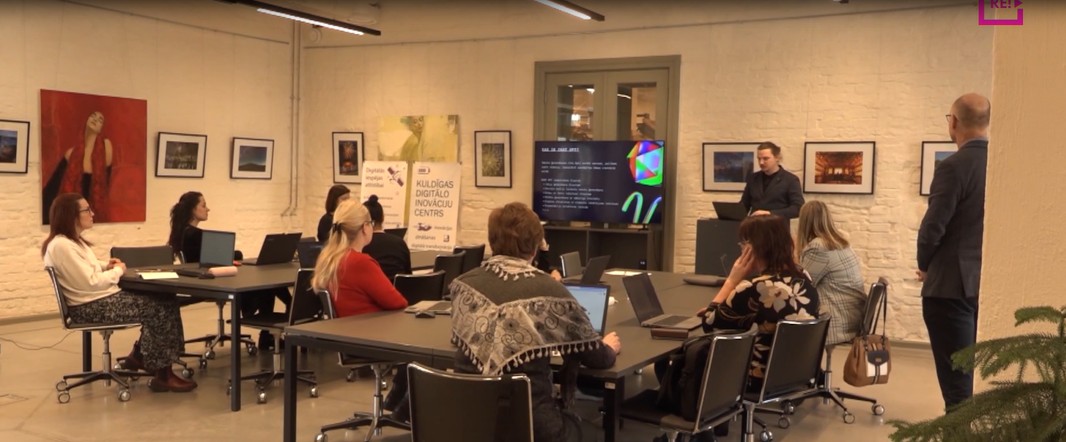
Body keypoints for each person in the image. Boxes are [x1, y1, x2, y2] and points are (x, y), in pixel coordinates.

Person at [450, 202, 622, 442]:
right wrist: (608, 348)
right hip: (533, 428)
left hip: (467, 424)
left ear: (492, 240)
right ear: (535, 247)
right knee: (592, 432)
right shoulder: (550, 290)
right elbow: (595, 357)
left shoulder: (462, 285)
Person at [42, 193, 196, 392]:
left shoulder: (70, 242)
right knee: (160, 306)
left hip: (96, 301)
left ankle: (141, 357)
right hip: (90, 307)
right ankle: (162, 374)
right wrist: (118, 271)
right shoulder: (63, 246)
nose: (92, 213)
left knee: (165, 298)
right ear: (70, 215)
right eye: (87, 210)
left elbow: (85, 267)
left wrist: (106, 265)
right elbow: (92, 282)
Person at [917, 93, 989, 412]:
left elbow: (933, 227)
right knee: (975, 377)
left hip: (949, 287)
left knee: (957, 387)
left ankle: (958, 432)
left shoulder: (953, 166)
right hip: (985, 284)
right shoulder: (1002, 164)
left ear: (954, 122)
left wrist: (925, 265)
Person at [700, 214, 820, 386]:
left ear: (751, 249)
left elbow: (709, 324)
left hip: (758, 378)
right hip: (799, 373)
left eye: (743, 244)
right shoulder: (804, 278)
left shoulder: (754, 287)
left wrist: (732, 281)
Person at [167, 191, 281, 349]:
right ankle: (266, 334)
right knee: (267, 286)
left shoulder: (184, 232)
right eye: (203, 205)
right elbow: (218, 256)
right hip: (211, 283)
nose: (208, 209)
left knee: (266, 284)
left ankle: (267, 333)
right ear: (193, 210)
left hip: (206, 279)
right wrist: (231, 257)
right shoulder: (194, 234)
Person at [796, 201, 867, 345]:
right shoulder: (841, 243)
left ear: (803, 222)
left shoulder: (817, 247)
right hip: (853, 315)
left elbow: (801, 286)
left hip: (836, 319)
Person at [42, 111, 114, 224]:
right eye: (93, 116)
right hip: (73, 217)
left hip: (95, 217)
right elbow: (51, 189)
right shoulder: (71, 154)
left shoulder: (106, 147)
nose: (96, 119)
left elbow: (106, 184)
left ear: (101, 129)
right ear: (87, 120)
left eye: (100, 120)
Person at [739, 142, 804, 218]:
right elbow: (744, 205)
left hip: (777, 224)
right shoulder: (753, 178)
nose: (761, 162)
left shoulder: (790, 180)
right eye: (759, 159)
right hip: (754, 224)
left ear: (777, 158)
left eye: (765, 158)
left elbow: (798, 208)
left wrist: (770, 213)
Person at [361, 194, 412, 282]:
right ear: (383, 217)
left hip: (370, 290)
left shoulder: (361, 246)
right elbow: (409, 276)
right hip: (398, 290)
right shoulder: (400, 243)